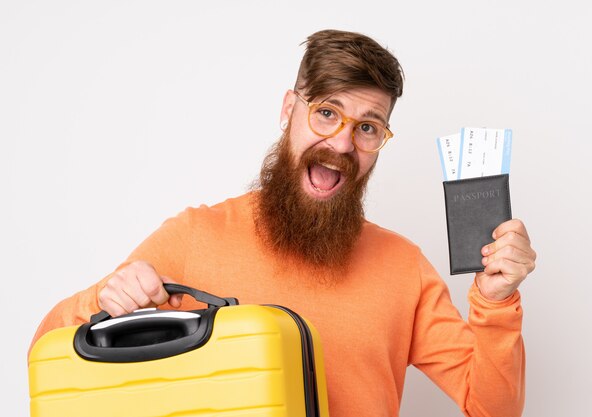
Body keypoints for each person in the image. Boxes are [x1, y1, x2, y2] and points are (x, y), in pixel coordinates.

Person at [31, 29, 536, 417]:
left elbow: (489, 407)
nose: (341, 143)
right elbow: (45, 353)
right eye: (325, 113)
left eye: (367, 127)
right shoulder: (193, 236)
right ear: (289, 109)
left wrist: (496, 304)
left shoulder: (403, 267)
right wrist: (101, 302)